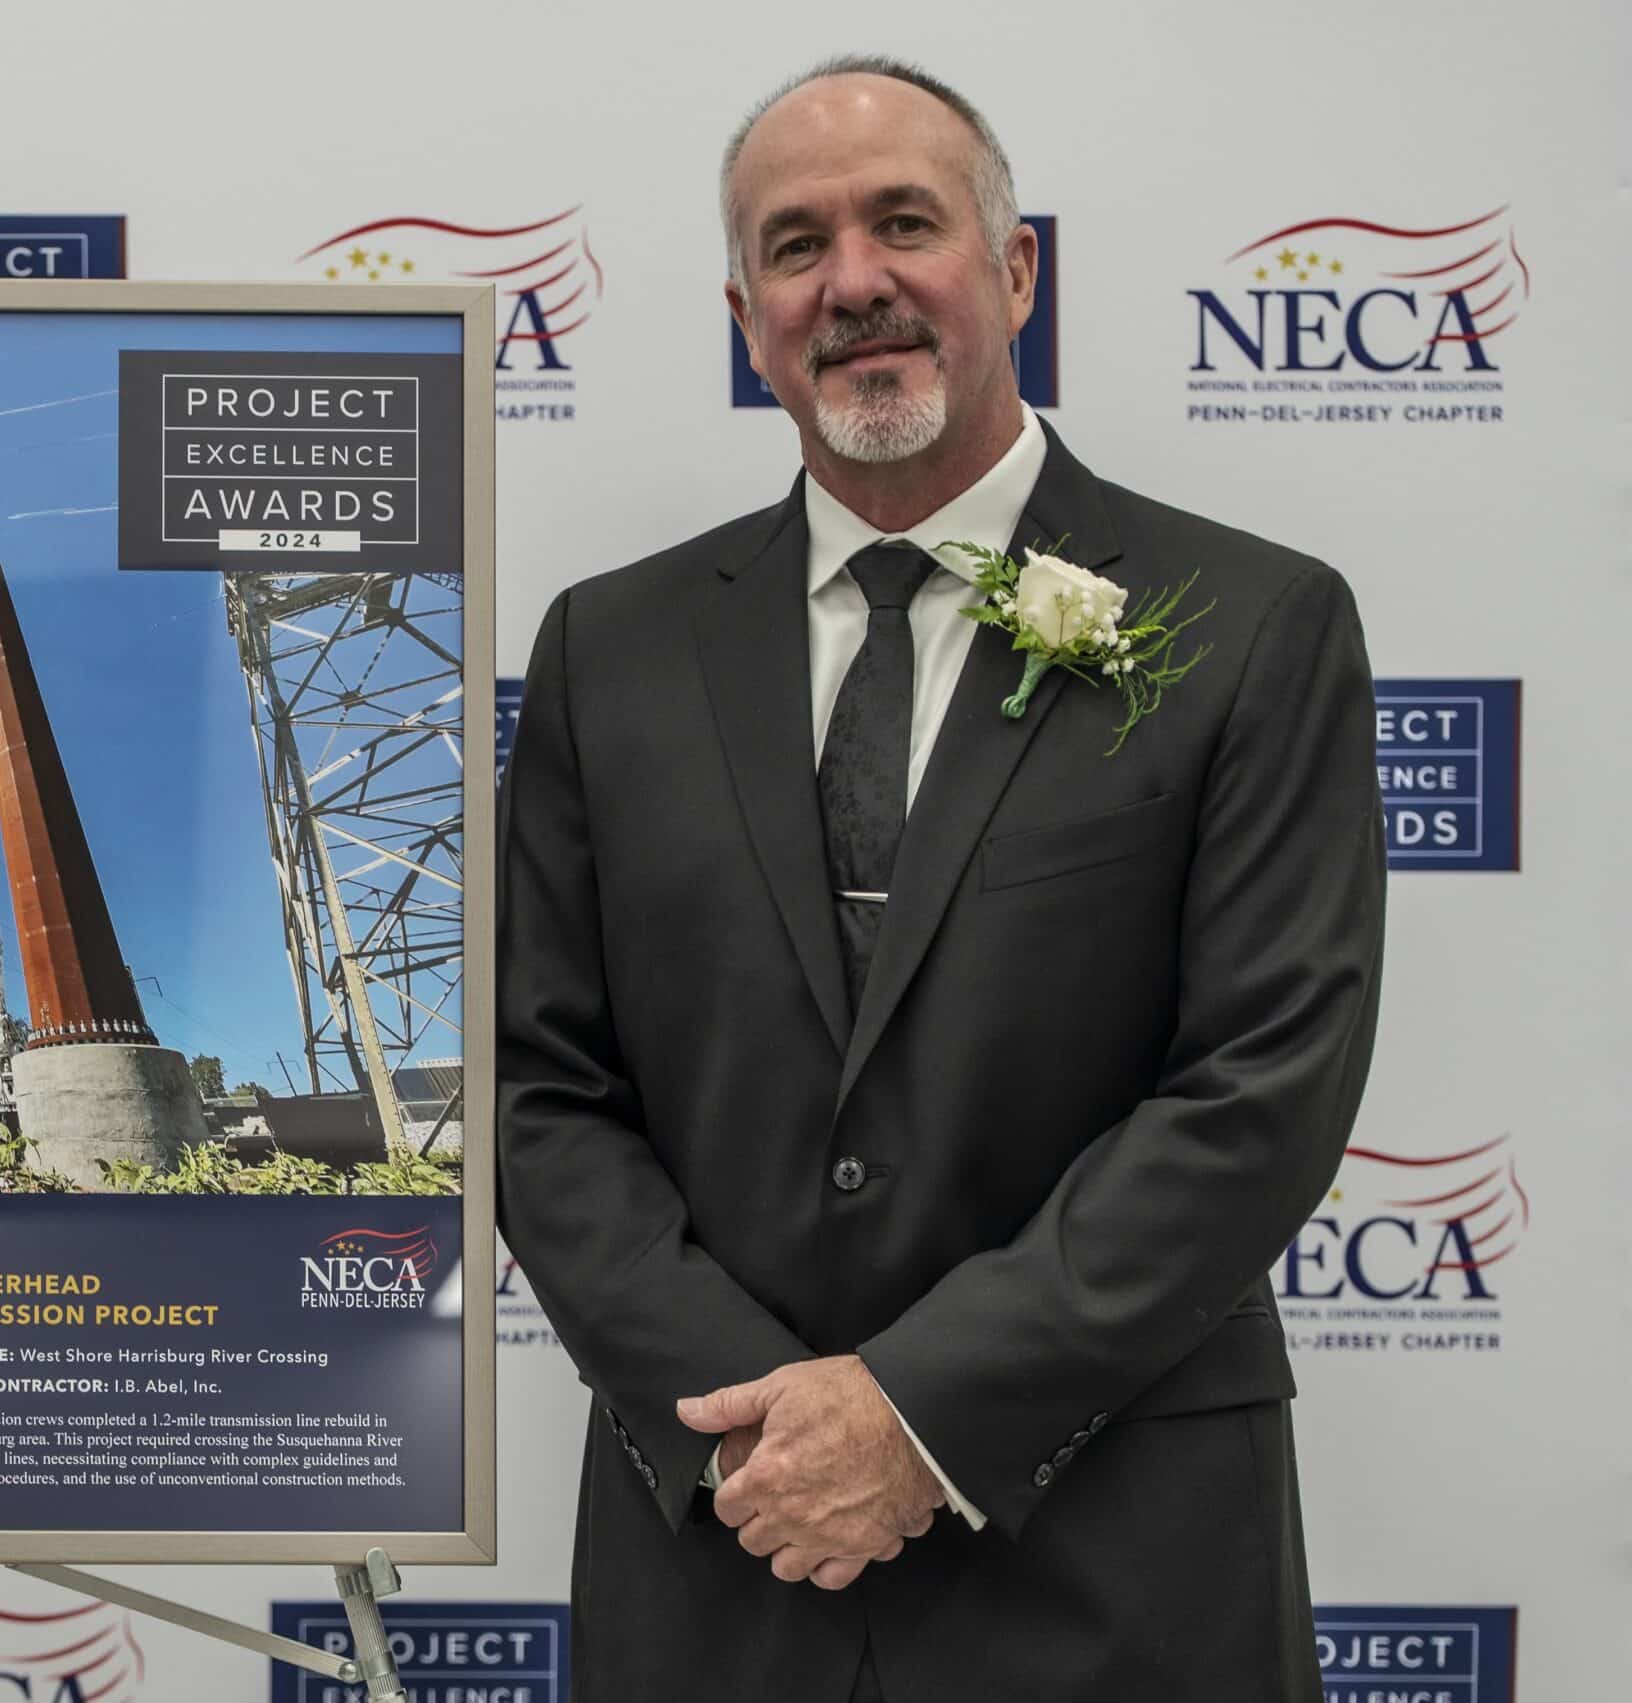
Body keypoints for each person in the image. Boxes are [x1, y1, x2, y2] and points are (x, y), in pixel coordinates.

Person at [494, 54, 1386, 1701]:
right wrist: (766, 1426)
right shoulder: (607, 650)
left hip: (1119, 1560)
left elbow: (1261, 1087)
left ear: (1018, 267)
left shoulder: (1258, 626)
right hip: (726, 1543)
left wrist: (913, 1412)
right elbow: (535, 1092)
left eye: (906, 222)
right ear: (747, 312)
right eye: (794, 244)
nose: (854, 283)